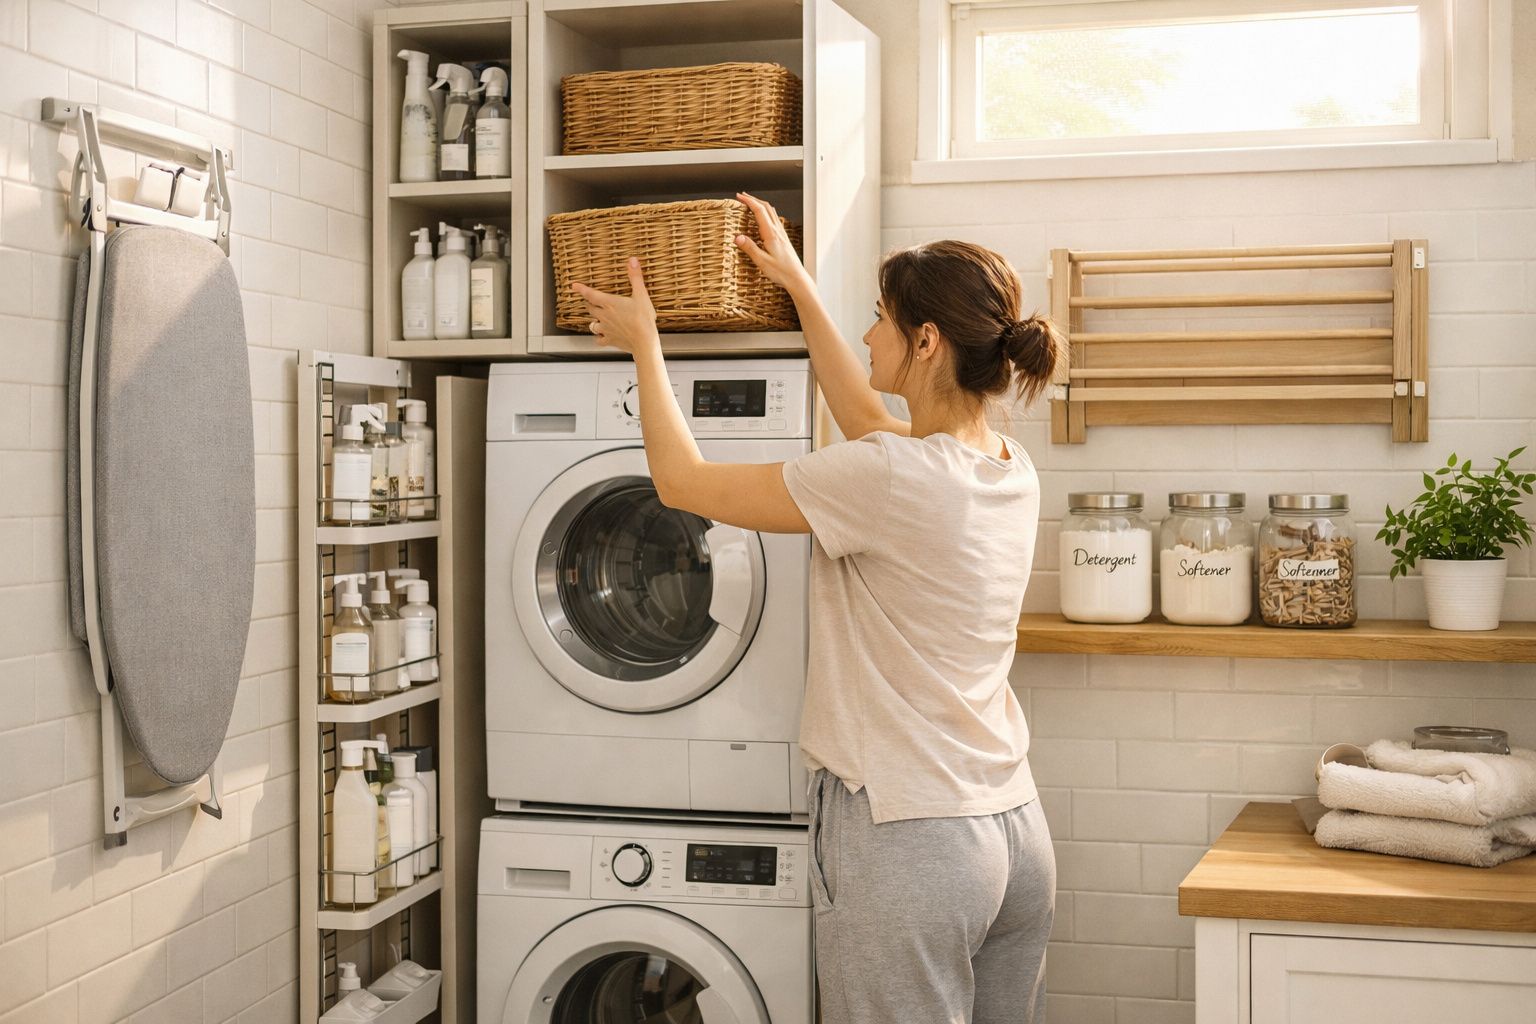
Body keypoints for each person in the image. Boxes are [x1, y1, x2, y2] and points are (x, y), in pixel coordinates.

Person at [573, 191, 1065, 1024]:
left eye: (878, 319)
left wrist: (646, 347)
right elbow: (868, 418)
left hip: (910, 841)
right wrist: (798, 287)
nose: (868, 335)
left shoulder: (889, 476)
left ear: (926, 341)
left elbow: (682, 486)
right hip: (1011, 834)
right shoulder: (1006, 466)